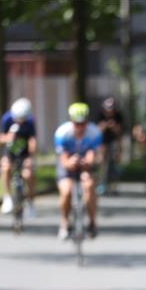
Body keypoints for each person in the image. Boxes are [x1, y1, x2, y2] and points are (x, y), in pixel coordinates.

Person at [53, 102, 102, 240]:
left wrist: (87, 162)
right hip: (67, 165)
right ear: (71, 121)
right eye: (77, 123)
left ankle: (93, 222)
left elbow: (94, 156)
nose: (80, 127)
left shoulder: (94, 132)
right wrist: (71, 162)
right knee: (66, 190)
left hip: (85, 165)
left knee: (90, 186)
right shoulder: (62, 133)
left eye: (83, 123)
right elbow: (64, 160)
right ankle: (64, 222)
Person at [0, 97, 37, 219]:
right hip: (10, 151)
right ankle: (7, 198)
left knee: (28, 174)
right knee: (5, 168)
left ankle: (30, 202)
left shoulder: (30, 121)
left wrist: (31, 154)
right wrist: (8, 137)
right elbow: (0, 138)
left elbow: (32, 140)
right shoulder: (7, 119)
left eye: (23, 119)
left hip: (24, 153)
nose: (20, 121)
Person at [95, 96, 124, 194]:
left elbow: (120, 131)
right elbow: (96, 130)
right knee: (102, 163)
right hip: (103, 142)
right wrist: (104, 126)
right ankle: (101, 184)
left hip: (114, 141)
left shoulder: (118, 116)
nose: (109, 112)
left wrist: (114, 126)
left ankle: (113, 186)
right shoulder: (100, 115)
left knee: (114, 164)